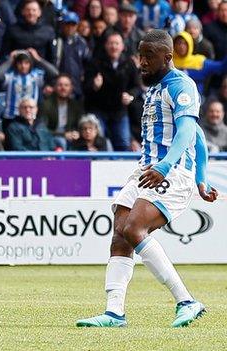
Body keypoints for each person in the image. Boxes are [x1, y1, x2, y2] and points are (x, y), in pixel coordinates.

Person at [76, 29, 218, 329]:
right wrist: (199, 178)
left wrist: (182, 172)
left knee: (135, 227)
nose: (142, 62)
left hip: (173, 170)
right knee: (120, 233)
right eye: (140, 55)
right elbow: (200, 136)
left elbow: (190, 134)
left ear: (168, 57)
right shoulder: (154, 87)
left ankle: (187, 301)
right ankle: (114, 312)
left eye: (149, 57)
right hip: (146, 168)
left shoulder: (181, 86)